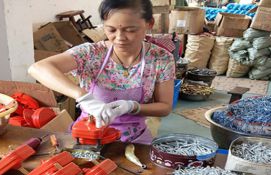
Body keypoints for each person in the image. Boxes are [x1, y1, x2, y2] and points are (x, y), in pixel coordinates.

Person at [28, 0, 175, 144]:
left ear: (149, 23)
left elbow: (165, 107)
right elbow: (37, 68)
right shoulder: (91, 53)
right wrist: (82, 96)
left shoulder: (160, 58)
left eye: (130, 30)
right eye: (111, 30)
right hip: (88, 135)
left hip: (135, 138)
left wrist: (132, 106)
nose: (120, 38)